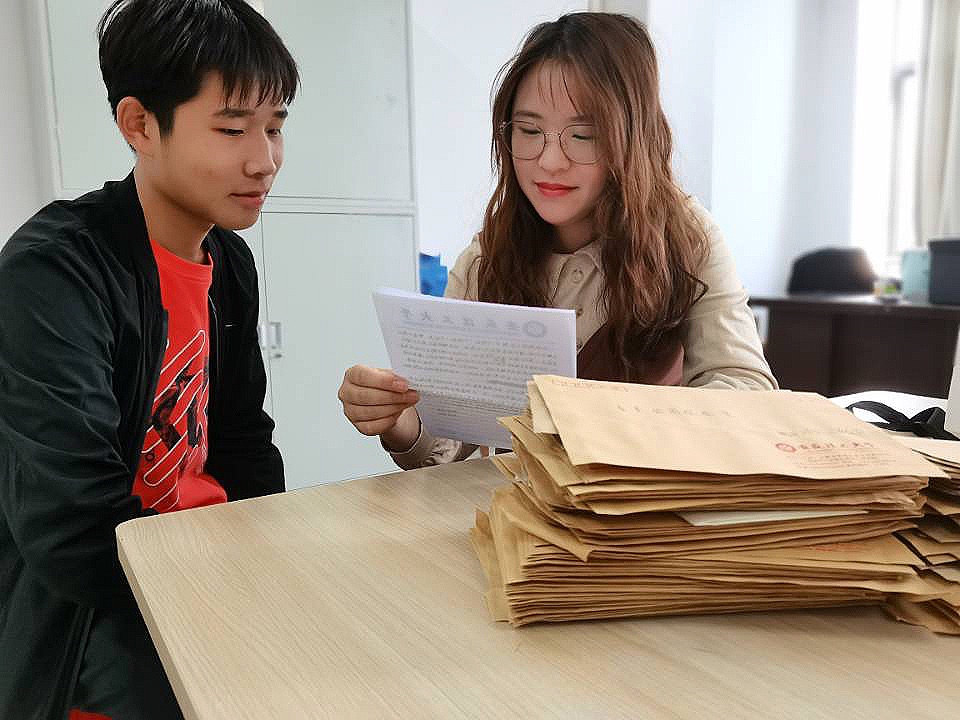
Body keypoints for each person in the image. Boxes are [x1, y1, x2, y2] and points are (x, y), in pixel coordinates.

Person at [0, 1, 298, 718]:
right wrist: (218, 603)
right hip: (100, 608)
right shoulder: (55, 272)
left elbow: (245, 445)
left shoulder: (228, 262)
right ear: (138, 124)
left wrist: (268, 574)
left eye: (275, 126)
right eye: (232, 128)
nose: (263, 160)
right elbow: (74, 532)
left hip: (207, 569)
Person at [338, 12, 776, 468]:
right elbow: (452, 440)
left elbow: (746, 388)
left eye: (583, 135)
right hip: (525, 503)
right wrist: (400, 420)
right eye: (529, 131)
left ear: (634, 137)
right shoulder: (489, 254)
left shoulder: (685, 237)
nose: (549, 161)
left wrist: (621, 421)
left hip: (641, 498)